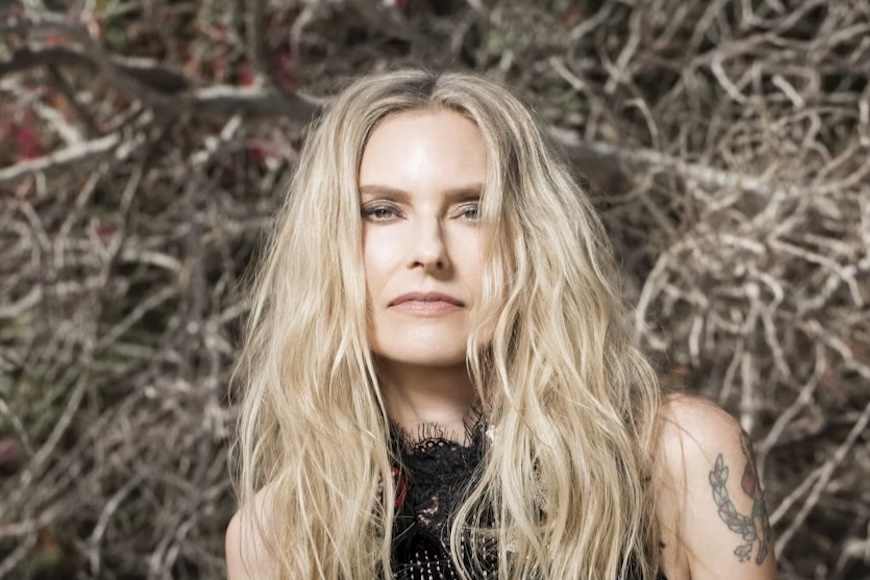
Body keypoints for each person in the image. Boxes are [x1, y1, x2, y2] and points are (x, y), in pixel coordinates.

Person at [225, 69, 777, 580]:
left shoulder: (679, 456)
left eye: (472, 209)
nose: (429, 252)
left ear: (530, 240)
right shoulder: (275, 535)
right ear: (328, 244)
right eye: (383, 210)